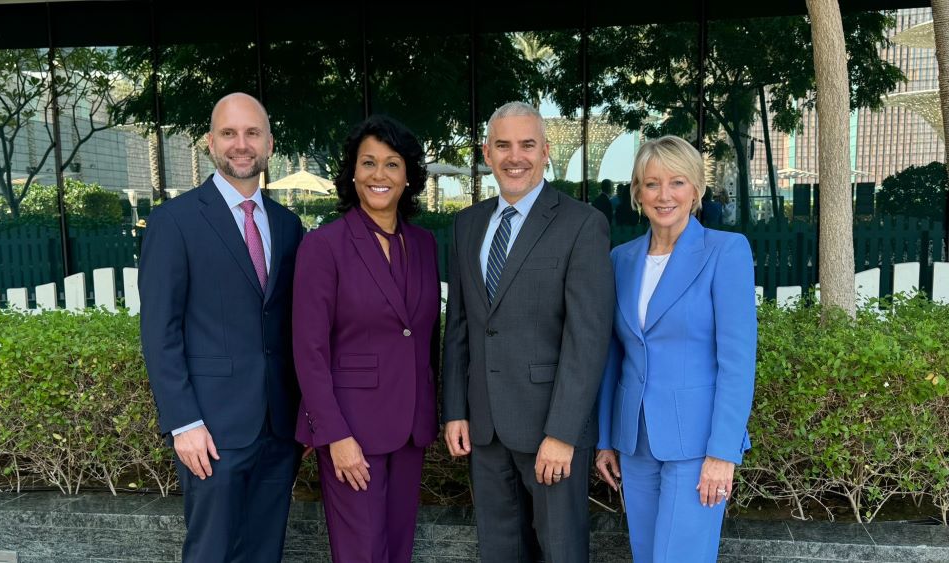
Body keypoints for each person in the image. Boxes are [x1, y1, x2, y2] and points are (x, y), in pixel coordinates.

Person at [442, 101, 614, 563]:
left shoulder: (582, 224)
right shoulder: (467, 224)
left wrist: (562, 433)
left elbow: (588, 339)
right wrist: (456, 409)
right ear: (486, 152)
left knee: (560, 552)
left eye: (527, 145)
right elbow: (459, 324)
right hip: (485, 429)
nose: (514, 156)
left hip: (549, 433)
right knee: (499, 552)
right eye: (503, 145)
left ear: (546, 152)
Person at [138, 92, 305, 563]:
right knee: (211, 552)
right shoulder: (174, 222)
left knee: (264, 550)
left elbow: (294, 327)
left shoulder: (289, 225)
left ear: (269, 143)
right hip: (209, 432)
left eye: (252, 133)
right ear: (210, 142)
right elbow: (159, 330)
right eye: (229, 133)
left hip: (278, 429)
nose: (241, 144)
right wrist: (183, 423)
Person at [594, 135, 756, 562]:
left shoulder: (726, 251)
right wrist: (606, 438)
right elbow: (614, 356)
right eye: (651, 184)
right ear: (637, 193)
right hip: (635, 440)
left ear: (697, 190)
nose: (664, 195)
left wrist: (723, 452)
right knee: (647, 555)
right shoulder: (620, 260)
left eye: (677, 182)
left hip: (699, 445)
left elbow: (737, 362)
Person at [293, 115, 440, 563]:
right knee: (360, 553)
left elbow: (424, 336)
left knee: (398, 549)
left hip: (411, 426)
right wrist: (334, 434)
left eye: (393, 164)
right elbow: (309, 350)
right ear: (352, 172)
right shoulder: (324, 246)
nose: (380, 175)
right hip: (351, 431)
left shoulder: (425, 244)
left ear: (409, 176)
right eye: (369, 162)